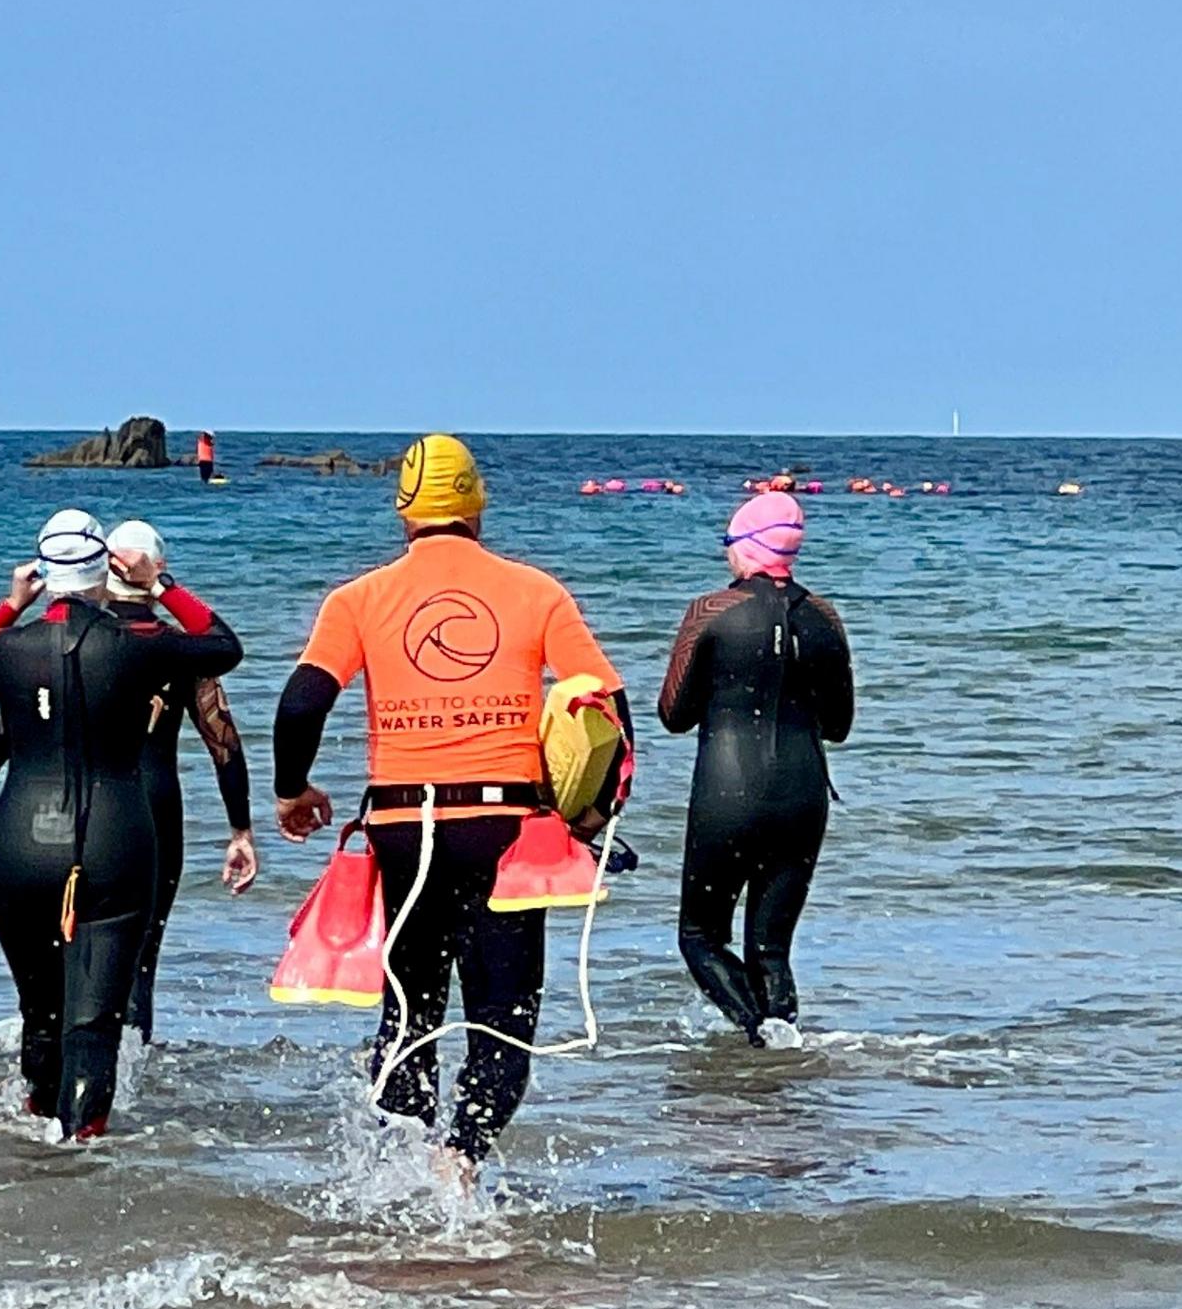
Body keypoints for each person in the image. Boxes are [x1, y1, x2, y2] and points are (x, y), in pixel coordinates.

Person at [274, 435, 624, 1185]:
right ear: (476, 507)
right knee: (505, 1021)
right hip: (506, 834)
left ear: (405, 511)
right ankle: (459, 1160)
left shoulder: (359, 598)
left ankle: (393, 1177)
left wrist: (291, 790)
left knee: (409, 1014)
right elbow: (606, 707)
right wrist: (591, 818)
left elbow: (302, 701)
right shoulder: (536, 591)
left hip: (403, 831)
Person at [0, 508, 242, 1137]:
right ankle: (83, 1161)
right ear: (106, 567)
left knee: (40, 1012)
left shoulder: (8, 649)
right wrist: (160, 585)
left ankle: (33, 1144)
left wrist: (9, 605)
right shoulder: (141, 647)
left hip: (18, 846)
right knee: (95, 1020)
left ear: (43, 572)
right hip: (115, 841)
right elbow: (223, 645)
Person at [659, 491, 855, 1046]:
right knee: (770, 949)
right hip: (803, 797)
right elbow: (839, 725)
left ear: (745, 548)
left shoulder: (709, 612)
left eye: (729, 544)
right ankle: (783, 1055)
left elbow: (673, 714)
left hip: (728, 795)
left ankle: (755, 1037)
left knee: (699, 936)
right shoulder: (826, 617)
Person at [102, 518, 257, 1042]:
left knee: (72, 950)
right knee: (141, 958)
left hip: (80, 810)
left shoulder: (69, 641)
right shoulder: (182, 651)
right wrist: (241, 831)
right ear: (155, 571)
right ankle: (127, 1089)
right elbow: (224, 743)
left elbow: (4, 732)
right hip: (152, 810)